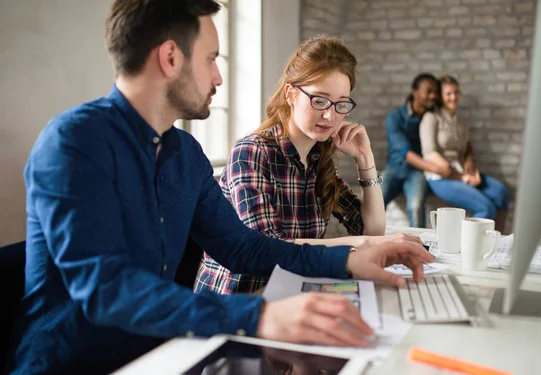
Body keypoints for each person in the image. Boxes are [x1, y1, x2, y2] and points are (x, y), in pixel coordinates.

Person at [5, 1, 433, 374]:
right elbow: (107, 291)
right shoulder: (73, 142)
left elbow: (244, 248)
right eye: (211, 59)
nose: (219, 78)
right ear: (170, 57)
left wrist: (349, 261)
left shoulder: (185, 154)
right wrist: (260, 314)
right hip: (74, 363)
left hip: (167, 351)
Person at [196, 36, 419, 295]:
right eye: (320, 100)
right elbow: (267, 247)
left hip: (291, 293)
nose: (330, 115)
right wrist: (364, 245)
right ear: (291, 95)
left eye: (341, 104)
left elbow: (371, 228)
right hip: (238, 300)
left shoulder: (316, 158)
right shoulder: (252, 152)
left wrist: (365, 161)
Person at [419, 75, 509, 230]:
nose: (453, 97)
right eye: (448, 94)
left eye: (456, 93)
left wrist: (472, 169)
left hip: (462, 172)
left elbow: (467, 148)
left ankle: (498, 240)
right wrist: (462, 177)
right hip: (441, 177)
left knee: (502, 193)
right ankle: (461, 244)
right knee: (486, 208)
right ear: (440, 96)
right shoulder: (431, 118)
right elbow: (430, 153)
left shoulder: (461, 121)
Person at [382, 73, 452, 228]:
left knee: (416, 206)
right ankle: (365, 240)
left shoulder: (433, 118)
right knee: (376, 201)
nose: (433, 96)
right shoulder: (396, 117)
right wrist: (438, 169)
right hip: (394, 168)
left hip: (417, 172)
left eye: (435, 92)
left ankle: (419, 246)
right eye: (428, 91)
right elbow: (405, 153)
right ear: (415, 92)